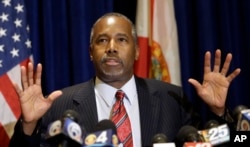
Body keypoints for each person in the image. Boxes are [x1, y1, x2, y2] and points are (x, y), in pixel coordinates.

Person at [9, 12, 241, 147]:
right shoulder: (61, 105)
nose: (111, 48)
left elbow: (217, 143)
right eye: (102, 41)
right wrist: (28, 126)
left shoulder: (172, 98)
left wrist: (218, 112)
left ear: (137, 51)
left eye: (121, 40)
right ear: (90, 52)